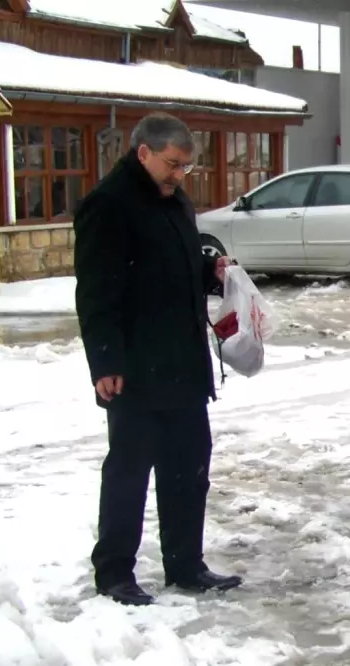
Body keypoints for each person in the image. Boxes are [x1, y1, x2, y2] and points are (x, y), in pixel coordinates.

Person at [75, 113, 241, 607]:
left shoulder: (174, 200)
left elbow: (178, 267)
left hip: (184, 364)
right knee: (129, 471)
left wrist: (212, 275)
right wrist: (105, 363)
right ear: (143, 153)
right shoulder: (108, 205)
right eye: (172, 165)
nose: (179, 175)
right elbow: (96, 291)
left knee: (189, 469)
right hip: (135, 369)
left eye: (185, 168)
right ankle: (114, 573)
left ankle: (185, 564)